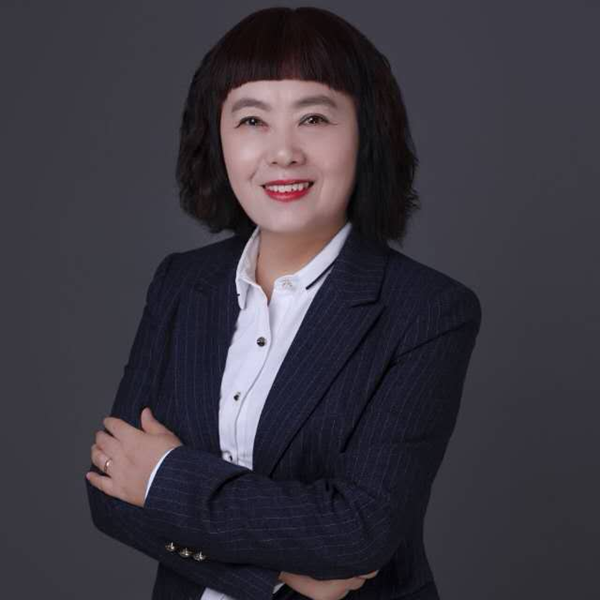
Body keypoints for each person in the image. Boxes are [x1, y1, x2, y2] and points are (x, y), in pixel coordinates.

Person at [84, 6, 482, 600]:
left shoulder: (426, 310)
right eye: (251, 120)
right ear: (217, 138)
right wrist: (268, 573)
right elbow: (110, 488)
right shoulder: (182, 283)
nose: (283, 152)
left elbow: (357, 533)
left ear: (367, 133)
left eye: (313, 118)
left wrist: (165, 477)